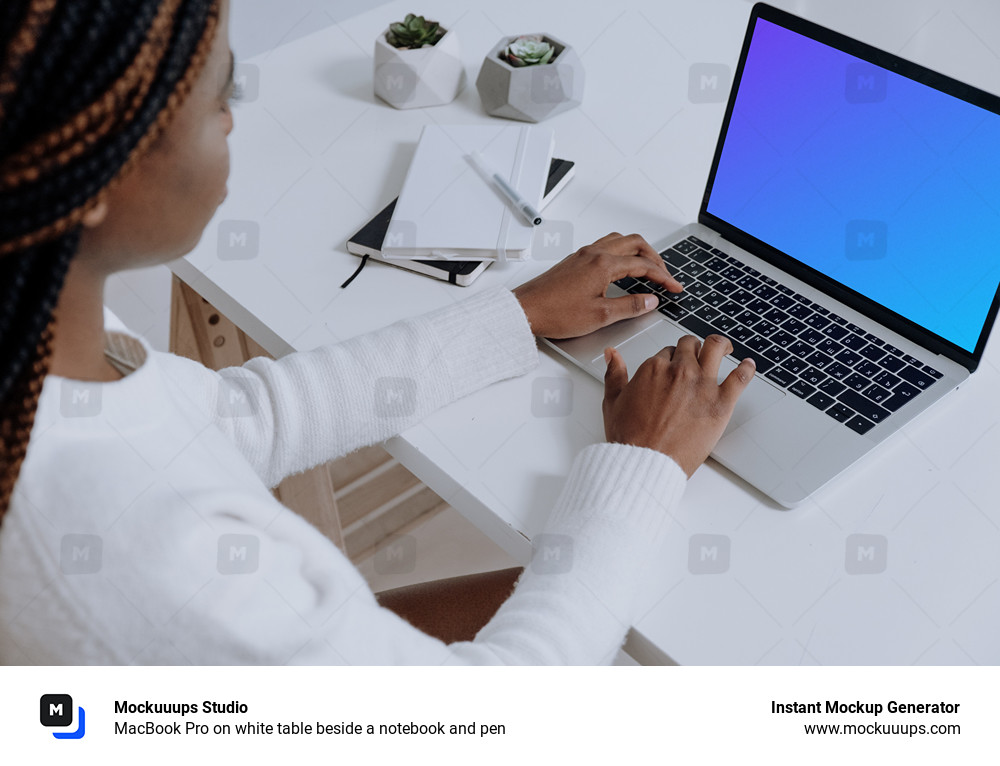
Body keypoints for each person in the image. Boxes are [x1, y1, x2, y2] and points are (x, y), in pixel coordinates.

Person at [0, 0, 755, 664]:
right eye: (217, 95)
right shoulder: (155, 563)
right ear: (85, 168)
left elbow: (236, 418)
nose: (233, 117)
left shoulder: (40, 345)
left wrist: (515, 313)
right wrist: (641, 462)